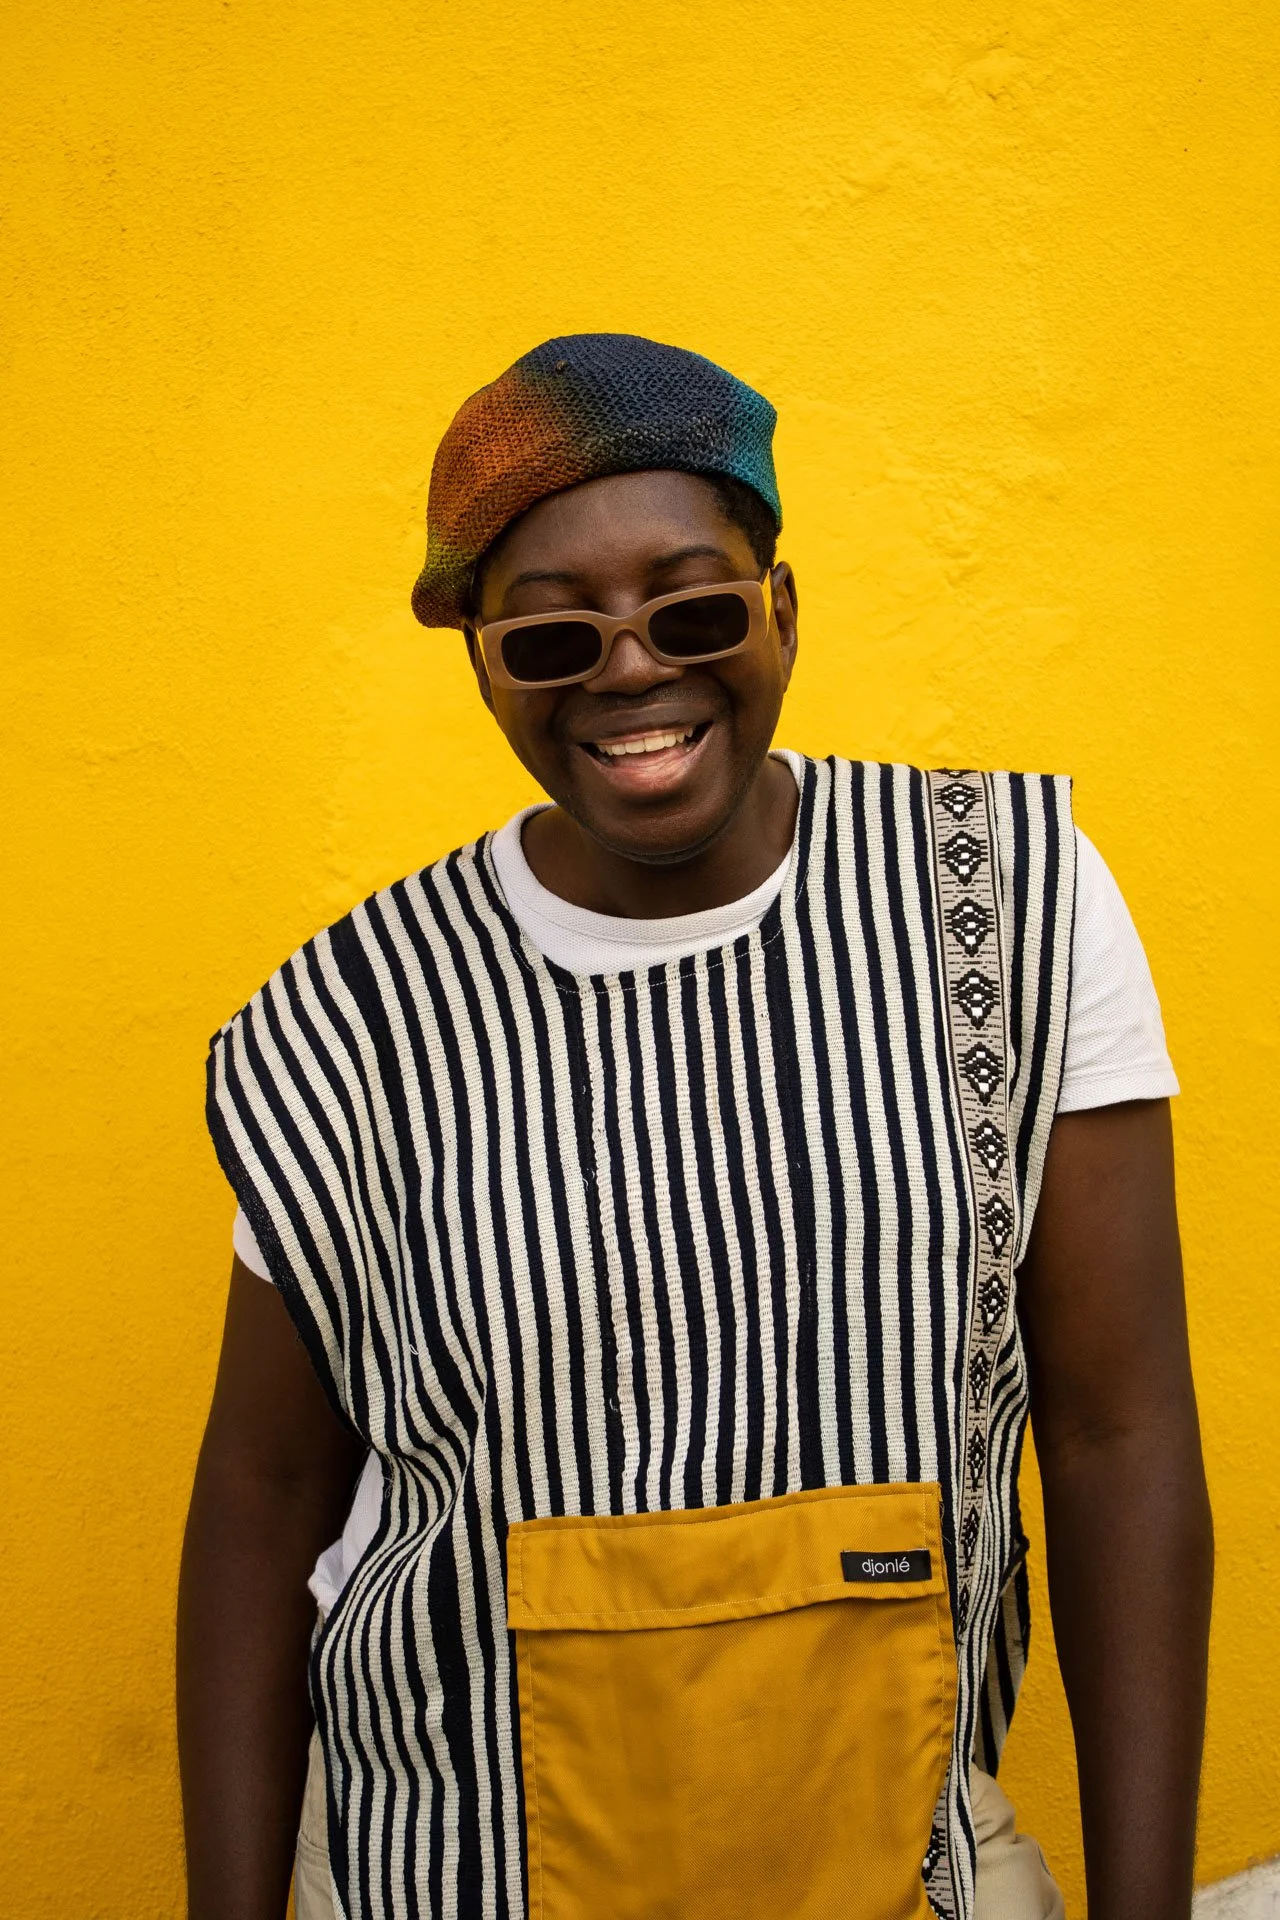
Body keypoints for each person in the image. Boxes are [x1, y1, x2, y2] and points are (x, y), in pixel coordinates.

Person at [178, 334, 1213, 1920]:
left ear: (781, 612)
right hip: (444, 1874)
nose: (632, 671)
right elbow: (258, 1511)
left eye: (695, 606)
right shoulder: (357, 1023)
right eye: (549, 637)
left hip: (903, 1865)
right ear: (481, 663)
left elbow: (1117, 1435)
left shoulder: (1004, 906)